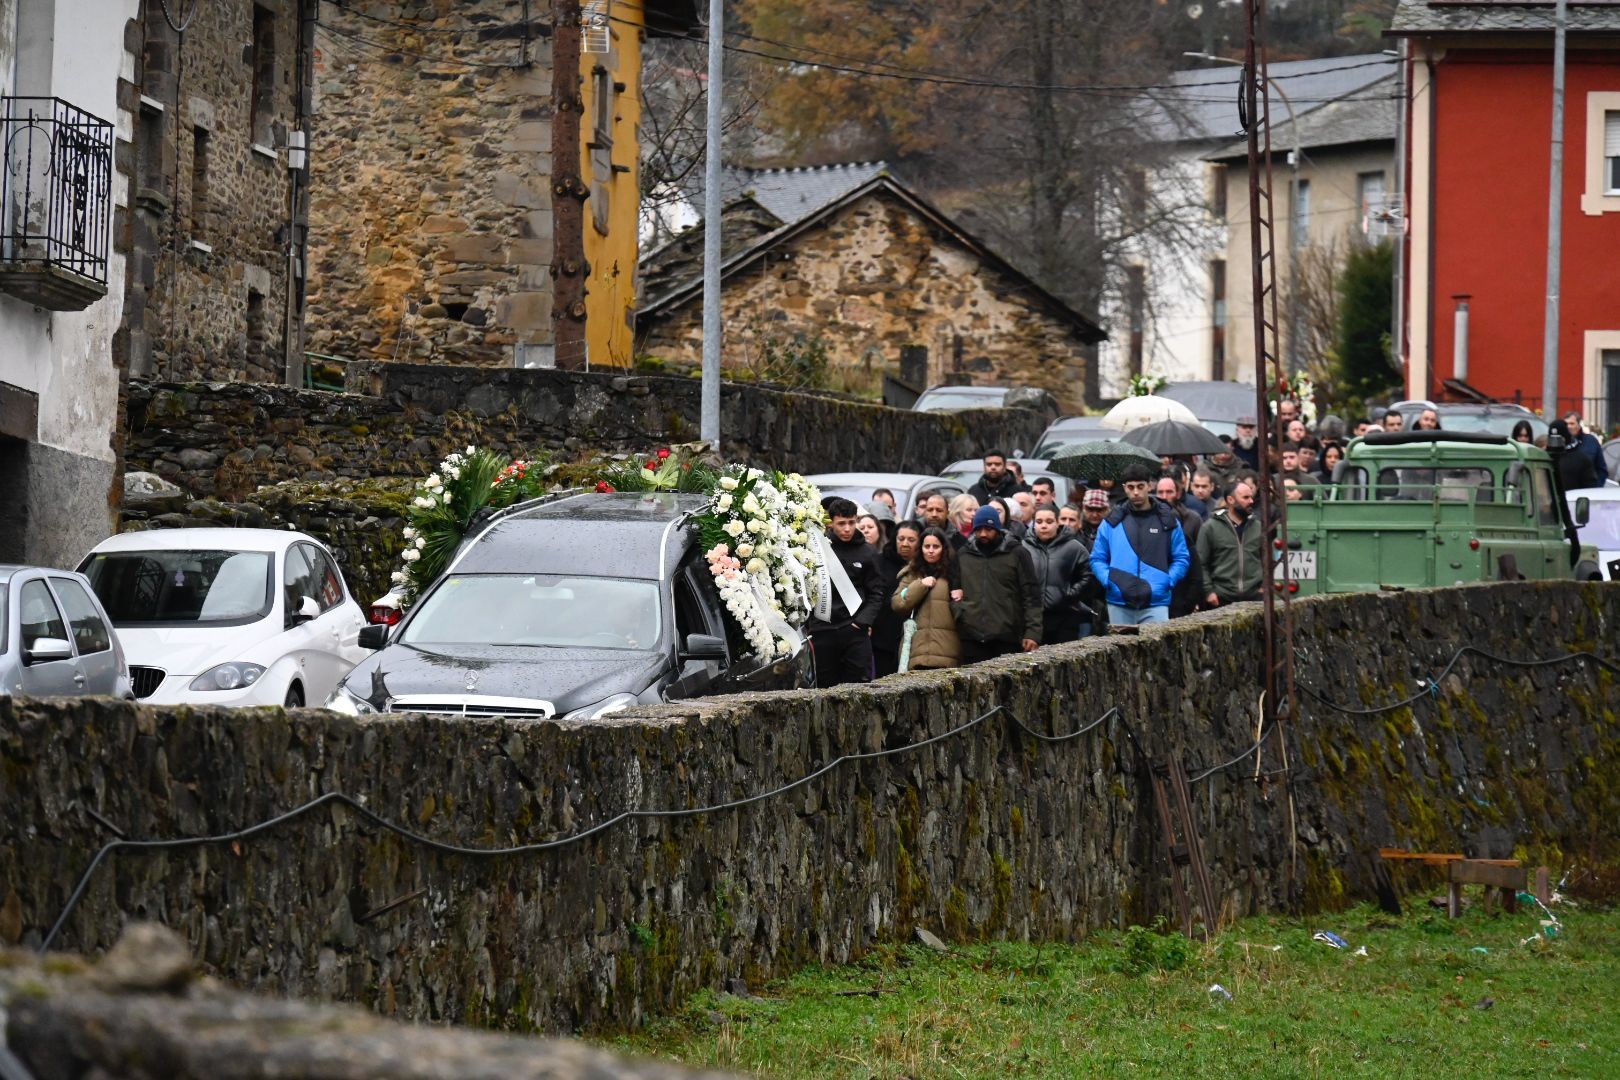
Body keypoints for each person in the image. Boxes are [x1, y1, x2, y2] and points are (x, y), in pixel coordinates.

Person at [1089, 464, 1189, 626]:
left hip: (1156, 601)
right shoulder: (1111, 523)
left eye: (1140, 486)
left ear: (1150, 486)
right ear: (1124, 488)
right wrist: (1109, 581)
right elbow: (1097, 558)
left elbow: (1181, 558)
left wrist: (1167, 581)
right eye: (1131, 487)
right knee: (1121, 650)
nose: (1135, 492)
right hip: (1119, 600)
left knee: (1156, 651)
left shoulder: (1168, 521)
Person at [805, 497, 886, 686]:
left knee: (860, 686)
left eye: (851, 522)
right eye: (841, 523)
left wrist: (862, 622)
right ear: (831, 523)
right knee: (825, 687)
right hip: (823, 629)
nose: (847, 528)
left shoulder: (867, 552)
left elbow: (877, 592)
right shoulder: (818, 549)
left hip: (854, 630)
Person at [953, 506, 1042, 662]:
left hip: (1007, 636)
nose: (983, 534)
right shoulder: (964, 554)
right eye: (978, 529)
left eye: (988, 529)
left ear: (998, 529)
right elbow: (955, 588)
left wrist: (1032, 632)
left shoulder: (1017, 553)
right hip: (971, 636)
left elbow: (1031, 594)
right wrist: (960, 613)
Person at [891, 526, 964, 670]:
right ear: (921, 548)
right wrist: (920, 585)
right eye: (927, 546)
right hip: (917, 650)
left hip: (947, 651)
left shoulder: (955, 574)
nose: (931, 550)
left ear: (943, 548)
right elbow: (897, 604)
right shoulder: (912, 573)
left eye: (935, 546)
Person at [1023, 505, 1093, 644]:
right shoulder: (1024, 547)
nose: (1044, 526)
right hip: (1032, 617)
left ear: (1057, 523)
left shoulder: (1074, 547)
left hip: (1065, 615)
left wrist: (1069, 595)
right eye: (1039, 522)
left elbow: (1089, 575)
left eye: (1049, 522)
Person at [1197, 477, 1265, 607]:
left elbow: (1267, 560)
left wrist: (1264, 587)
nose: (1251, 501)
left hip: (1254, 597)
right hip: (1221, 597)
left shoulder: (1258, 527)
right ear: (1230, 500)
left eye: (1251, 497)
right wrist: (1209, 592)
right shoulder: (1210, 527)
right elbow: (1201, 563)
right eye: (1245, 498)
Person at [1155, 475, 1204, 618]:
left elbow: (1197, 565)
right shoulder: (1147, 524)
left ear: (1177, 493)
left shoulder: (1193, 519)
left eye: (1169, 492)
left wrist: (1188, 603)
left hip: (1180, 597)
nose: (1164, 496)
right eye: (1161, 492)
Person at [867, 512, 909, 678]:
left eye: (911, 540)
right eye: (901, 539)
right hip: (883, 636)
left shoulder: (923, 566)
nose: (905, 544)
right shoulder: (880, 562)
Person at [1549, 419, 1600, 490]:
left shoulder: (1580, 459)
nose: (1556, 442)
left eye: (1559, 438)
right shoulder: (1544, 458)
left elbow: (1590, 487)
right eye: (1552, 439)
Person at [1562, 412, 1608, 483]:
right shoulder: (1560, 443)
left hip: (1588, 489)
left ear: (1579, 425)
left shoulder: (1591, 441)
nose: (1569, 426)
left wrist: (1596, 486)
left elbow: (1602, 469)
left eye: (1572, 423)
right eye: (1566, 424)